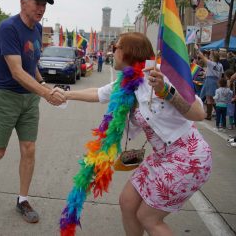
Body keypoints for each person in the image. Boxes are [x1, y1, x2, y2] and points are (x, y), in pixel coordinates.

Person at [53, 32, 212, 236]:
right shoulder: (127, 82)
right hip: (162, 156)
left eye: (116, 47)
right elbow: (98, 93)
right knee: (127, 202)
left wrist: (166, 91)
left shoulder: (162, 74)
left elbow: (200, 113)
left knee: (148, 217)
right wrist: (65, 94)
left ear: (129, 51)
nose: (112, 50)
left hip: (189, 157)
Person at [0, 0, 65, 223]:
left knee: (29, 149)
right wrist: (45, 93)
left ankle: (22, 199)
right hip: (4, 97)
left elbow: (30, 64)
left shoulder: (38, 29)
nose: (42, 9)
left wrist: (45, 84)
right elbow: (16, 71)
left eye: (45, 5)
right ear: (24, 3)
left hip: (29, 99)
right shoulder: (8, 27)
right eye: (38, 3)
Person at [198, 49, 223, 120]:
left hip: (209, 80)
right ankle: (218, 114)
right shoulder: (220, 65)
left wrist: (197, 48)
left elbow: (202, 56)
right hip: (216, 80)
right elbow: (221, 75)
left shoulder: (211, 63)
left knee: (209, 98)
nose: (209, 56)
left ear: (213, 57)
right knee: (213, 98)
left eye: (211, 55)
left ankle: (209, 115)